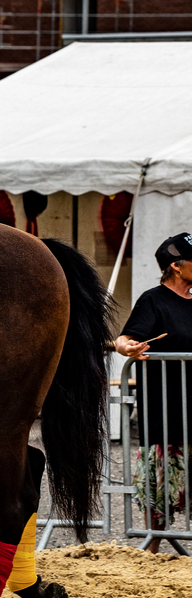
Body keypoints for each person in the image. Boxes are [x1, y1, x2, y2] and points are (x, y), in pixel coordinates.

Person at [115, 232, 192, 552]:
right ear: (177, 266)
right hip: (165, 412)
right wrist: (127, 347)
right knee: (159, 488)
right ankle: (151, 551)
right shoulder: (153, 300)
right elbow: (125, 339)